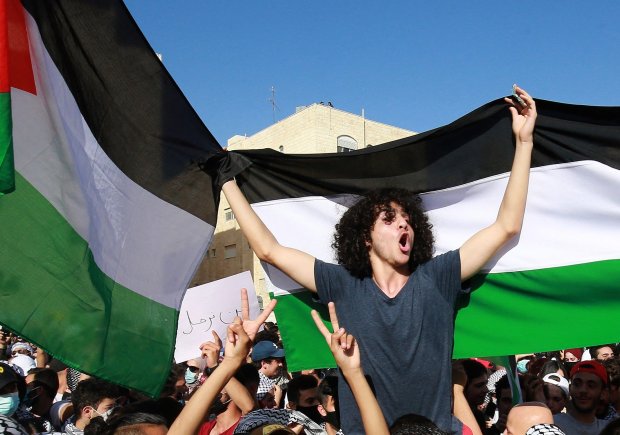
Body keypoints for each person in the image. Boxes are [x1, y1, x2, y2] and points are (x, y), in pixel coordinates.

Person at [222, 86, 537, 433]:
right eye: (389, 218)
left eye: (408, 219)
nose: (403, 223)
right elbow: (268, 249)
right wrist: (227, 182)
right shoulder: (340, 283)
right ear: (365, 237)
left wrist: (524, 144)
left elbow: (507, 226)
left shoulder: (439, 276)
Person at [553, 361, 610, 435]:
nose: (583, 390)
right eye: (577, 384)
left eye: (591, 385)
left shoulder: (609, 429)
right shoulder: (553, 424)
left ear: (603, 393)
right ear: (570, 389)